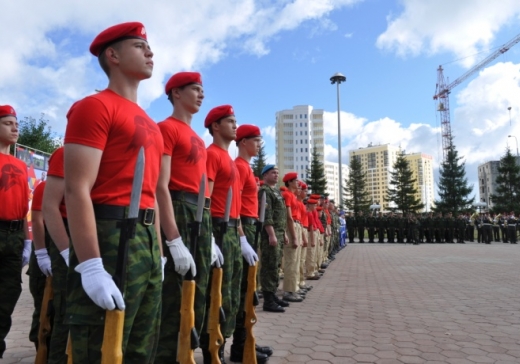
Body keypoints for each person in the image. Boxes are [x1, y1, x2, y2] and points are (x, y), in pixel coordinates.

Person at [63, 22, 164, 362]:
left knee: (140, 348)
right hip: (110, 235)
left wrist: (160, 249)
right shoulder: (95, 106)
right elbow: (77, 188)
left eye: (148, 46)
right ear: (113, 55)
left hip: (146, 240)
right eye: (139, 46)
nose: (149, 52)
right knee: (101, 345)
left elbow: (152, 194)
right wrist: (91, 265)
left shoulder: (151, 123)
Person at [155, 72, 215, 363]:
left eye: (202, 90)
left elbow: (203, 187)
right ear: (176, 93)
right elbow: (159, 185)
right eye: (195, 89)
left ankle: (186, 354)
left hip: (200, 213)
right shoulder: (166, 128)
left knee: (199, 288)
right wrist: (173, 239)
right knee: (174, 293)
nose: (201, 94)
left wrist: (211, 234)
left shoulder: (198, 138)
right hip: (178, 207)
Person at [202, 105, 243, 363]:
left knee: (230, 293)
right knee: (216, 294)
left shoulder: (227, 158)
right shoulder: (212, 155)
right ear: (216, 126)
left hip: (231, 229)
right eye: (229, 121)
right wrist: (210, 239)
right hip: (217, 228)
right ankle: (211, 353)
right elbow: (205, 198)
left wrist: (242, 237)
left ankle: (223, 347)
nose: (234, 125)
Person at [230, 124, 271, 363]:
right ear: (243, 141)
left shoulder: (246, 168)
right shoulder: (238, 167)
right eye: (255, 140)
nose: (259, 144)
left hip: (251, 224)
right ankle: (240, 347)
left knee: (249, 291)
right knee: (244, 291)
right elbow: (233, 207)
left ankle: (245, 343)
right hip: (243, 225)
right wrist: (242, 238)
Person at [0, 105, 31, 358]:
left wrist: (28, 241)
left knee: (10, 291)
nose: (15, 128)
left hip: (15, 234)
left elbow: (23, 206)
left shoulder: (21, 166)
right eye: (8, 123)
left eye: (16, 124)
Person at [42, 146, 72, 363]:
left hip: (89, 230)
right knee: (64, 311)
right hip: (67, 230)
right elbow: (50, 206)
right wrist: (66, 250)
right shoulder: (65, 154)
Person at [259, 165, 288, 313]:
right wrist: (271, 234)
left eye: (277, 172)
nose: (276, 175)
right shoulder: (265, 191)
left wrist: (284, 233)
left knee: (276, 264)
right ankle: (268, 300)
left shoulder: (276, 191)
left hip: (278, 232)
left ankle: (273, 294)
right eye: (272, 173)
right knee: (270, 265)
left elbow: (281, 215)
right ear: (265, 176)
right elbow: (267, 215)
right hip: (271, 234)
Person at [28, 180, 52, 353]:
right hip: (44, 251)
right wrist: (41, 253)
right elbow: (37, 220)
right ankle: (40, 351)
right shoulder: (45, 186)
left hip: (59, 254)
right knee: (43, 310)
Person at [281, 172, 304, 303]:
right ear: (289, 182)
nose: (298, 183)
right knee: (291, 260)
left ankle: (293, 288)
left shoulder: (292, 196)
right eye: (295, 181)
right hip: (292, 227)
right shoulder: (287, 195)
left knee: (296, 260)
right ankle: (288, 291)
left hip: (296, 226)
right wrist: (294, 237)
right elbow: (288, 217)